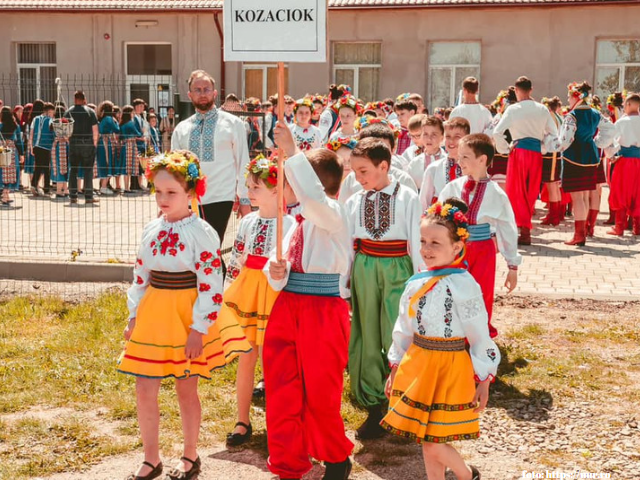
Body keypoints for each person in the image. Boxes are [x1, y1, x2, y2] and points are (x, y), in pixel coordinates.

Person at [119, 150, 250, 480]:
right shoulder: (151, 228)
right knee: (144, 387)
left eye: (171, 192)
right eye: (158, 191)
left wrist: (198, 329)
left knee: (185, 389)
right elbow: (140, 275)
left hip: (185, 317)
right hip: (153, 314)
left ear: (191, 191)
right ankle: (151, 458)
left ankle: (190, 455)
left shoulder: (202, 232)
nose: (163, 199)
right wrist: (134, 315)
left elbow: (211, 284)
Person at [381, 198, 499, 480]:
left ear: (457, 247)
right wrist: (396, 367)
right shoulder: (416, 283)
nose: (426, 249)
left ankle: (466, 475)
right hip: (418, 363)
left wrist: (483, 378)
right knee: (427, 438)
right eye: (423, 241)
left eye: (436, 243)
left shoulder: (464, 285)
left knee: (435, 441)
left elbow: (479, 333)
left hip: (450, 367)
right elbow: (403, 328)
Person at [264, 122, 354, 480]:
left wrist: (293, 152)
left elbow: (315, 202)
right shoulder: (293, 222)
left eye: (290, 181)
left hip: (322, 309)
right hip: (288, 306)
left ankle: (335, 456)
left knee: (320, 390)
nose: (285, 188)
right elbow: (281, 268)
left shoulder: (333, 213)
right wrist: (277, 271)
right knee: (281, 387)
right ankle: (288, 463)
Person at [345, 137, 422, 440]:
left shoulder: (408, 197)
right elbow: (347, 245)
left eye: (363, 171)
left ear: (384, 166)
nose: (358, 178)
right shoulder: (354, 201)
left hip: (398, 268)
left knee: (397, 330)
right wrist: (345, 284)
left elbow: (416, 241)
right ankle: (374, 402)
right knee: (367, 332)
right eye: (355, 172)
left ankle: (402, 399)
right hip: (364, 267)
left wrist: (421, 282)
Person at [220, 156, 296, 447]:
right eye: (249, 186)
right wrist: (227, 291)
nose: (249, 192)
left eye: (256, 187)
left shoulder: (289, 223)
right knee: (246, 356)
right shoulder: (247, 221)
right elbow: (236, 259)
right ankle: (242, 420)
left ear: (276, 190)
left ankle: (277, 420)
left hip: (274, 293)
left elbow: (290, 263)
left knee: (273, 358)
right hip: (248, 292)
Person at [439, 134, 520, 338]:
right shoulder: (453, 187)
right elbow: (438, 215)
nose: (460, 161)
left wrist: (512, 265)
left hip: (483, 249)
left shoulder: (496, 193)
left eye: (465, 157)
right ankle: (453, 334)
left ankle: (478, 337)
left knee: (481, 291)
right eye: (459, 156)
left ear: (482, 159)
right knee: (452, 290)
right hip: (455, 249)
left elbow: (508, 228)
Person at [171, 70, 252, 247]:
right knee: (191, 248)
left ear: (214, 93)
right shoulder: (181, 129)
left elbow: (243, 162)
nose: (202, 94)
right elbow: (174, 169)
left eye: (206, 89)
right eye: (197, 89)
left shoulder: (233, 124)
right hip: (189, 199)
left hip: (221, 196)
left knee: (211, 246)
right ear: (189, 94)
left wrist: (245, 199)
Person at [492, 76, 559, 245]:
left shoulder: (513, 109)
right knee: (531, 191)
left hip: (518, 152)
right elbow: (553, 133)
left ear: (516, 90)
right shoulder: (542, 109)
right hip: (535, 153)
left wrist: (505, 149)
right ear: (531, 90)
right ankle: (525, 230)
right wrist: (543, 147)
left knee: (516, 191)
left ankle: (521, 229)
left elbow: (497, 132)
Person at [557, 81, 614, 246]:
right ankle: (583, 232)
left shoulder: (572, 115)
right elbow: (611, 129)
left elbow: (566, 140)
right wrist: (598, 143)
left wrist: (555, 147)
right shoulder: (595, 113)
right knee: (584, 197)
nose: (568, 100)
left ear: (576, 97)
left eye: (569, 97)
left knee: (577, 198)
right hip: (591, 156)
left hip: (573, 157)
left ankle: (579, 235)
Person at [339, 121, 417, 203]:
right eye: (370, 150)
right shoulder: (352, 179)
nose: (376, 154)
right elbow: (343, 208)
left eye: (382, 149)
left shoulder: (404, 180)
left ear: (393, 149)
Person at [604, 92, 640, 237]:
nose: (623, 107)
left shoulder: (622, 122)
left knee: (621, 192)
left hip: (625, 161)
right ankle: (637, 228)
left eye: (625, 104)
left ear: (629, 104)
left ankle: (619, 227)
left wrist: (611, 155)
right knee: (638, 192)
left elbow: (610, 141)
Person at [420, 117, 469, 209]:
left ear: (466, 139)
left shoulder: (472, 168)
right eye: (448, 137)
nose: (451, 141)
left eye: (457, 137)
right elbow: (423, 202)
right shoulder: (434, 168)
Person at [65, 90, 99, 204]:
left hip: (74, 143)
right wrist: (94, 144)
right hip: (87, 143)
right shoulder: (90, 112)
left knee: (73, 170)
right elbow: (95, 130)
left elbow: (64, 130)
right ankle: (88, 196)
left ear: (74, 99)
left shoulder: (68, 112)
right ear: (84, 99)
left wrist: (69, 140)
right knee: (88, 170)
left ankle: (73, 196)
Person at [539, 96, 564, 226]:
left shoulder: (551, 117)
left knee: (551, 185)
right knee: (554, 186)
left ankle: (554, 216)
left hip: (550, 153)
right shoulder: (559, 116)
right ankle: (556, 214)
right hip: (556, 152)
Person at [407, 115, 447, 188]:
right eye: (425, 134)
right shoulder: (414, 164)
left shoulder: (448, 162)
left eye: (434, 134)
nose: (429, 139)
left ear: (442, 137)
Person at [0, 106, 24, 205]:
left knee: (3, 172)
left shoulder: (0, 126)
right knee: (12, 173)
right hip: (12, 151)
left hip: (1, 150)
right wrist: (21, 154)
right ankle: (5, 195)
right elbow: (19, 141)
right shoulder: (15, 126)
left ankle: (5, 195)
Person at [30, 101, 55, 196]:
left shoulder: (35, 119)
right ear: (48, 111)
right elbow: (53, 132)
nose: (52, 114)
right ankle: (47, 189)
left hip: (36, 146)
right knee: (46, 168)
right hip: (46, 146)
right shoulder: (50, 120)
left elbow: (31, 133)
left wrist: (31, 146)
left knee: (38, 167)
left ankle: (33, 185)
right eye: (52, 112)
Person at [97, 101, 120, 195]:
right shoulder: (109, 119)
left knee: (104, 163)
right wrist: (117, 122)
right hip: (106, 143)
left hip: (101, 142)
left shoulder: (102, 118)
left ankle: (103, 186)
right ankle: (103, 187)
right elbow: (117, 129)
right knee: (108, 163)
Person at [119, 105, 141, 195]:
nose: (133, 114)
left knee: (126, 167)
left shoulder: (122, 124)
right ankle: (127, 187)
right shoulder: (131, 123)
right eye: (132, 112)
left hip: (124, 144)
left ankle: (126, 187)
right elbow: (138, 133)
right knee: (130, 167)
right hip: (131, 145)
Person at [50, 106, 69, 201]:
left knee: (59, 167)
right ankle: (59, 191)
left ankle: (65, 189)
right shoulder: (63, 123)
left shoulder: (53, 123)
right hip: (63, 146)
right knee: (62, 167)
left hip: (56, 146)